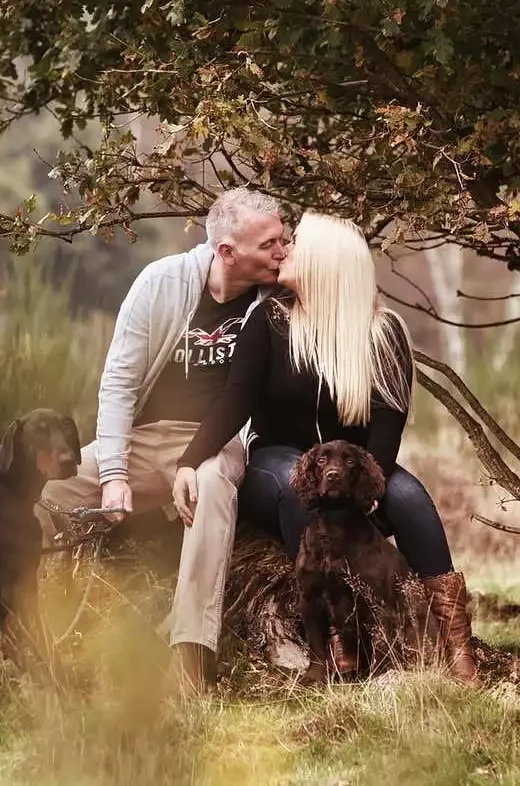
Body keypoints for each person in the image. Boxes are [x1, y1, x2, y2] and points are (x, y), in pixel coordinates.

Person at [176, 211, 479, 685]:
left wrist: (370, 491)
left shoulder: (383, 331)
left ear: (325, 262)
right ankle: (337, 634)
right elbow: (235, 400)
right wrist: (189, 460)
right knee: (294, 478)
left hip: (357, 467)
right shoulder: (269, 321)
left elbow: (388, 422)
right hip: (277, 461)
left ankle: (456, 643)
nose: (285, 250)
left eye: (296, 244)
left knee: (409, 498)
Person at [36, 187, 286, 693]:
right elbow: (119, 382)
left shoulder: (277, 298)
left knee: (210, 487)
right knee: (44, 492)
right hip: (145, 440)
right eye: (270, 245)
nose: (283, 252)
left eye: (284, 240)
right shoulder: (162, 282)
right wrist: (113, 476)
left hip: (217, 442)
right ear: (227, 252)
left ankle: (190, 657)